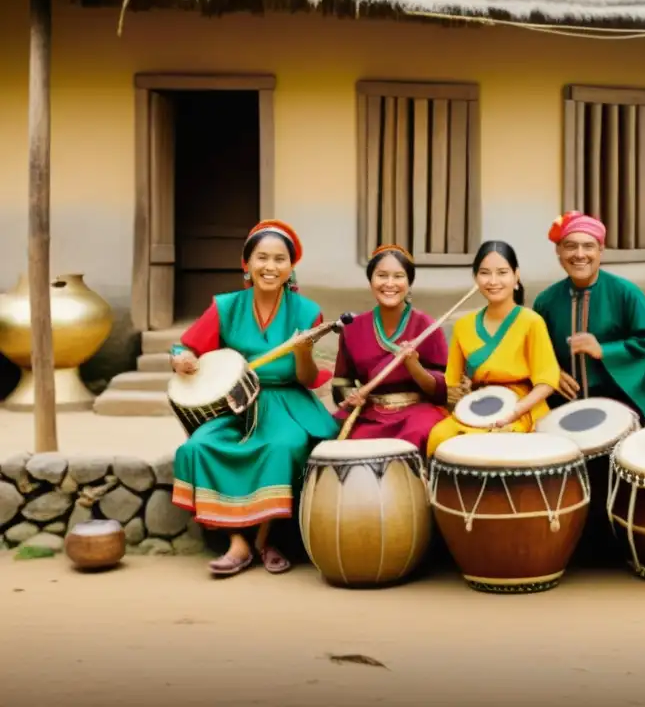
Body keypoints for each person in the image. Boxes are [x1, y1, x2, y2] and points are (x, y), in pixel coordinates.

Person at [169, 220, 340, 577]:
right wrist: (180, 358)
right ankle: (237, 542)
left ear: (291, 267)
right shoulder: (226, 306)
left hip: (286, 402)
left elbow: (307, 379)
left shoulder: (307, 312)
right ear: (246, 263)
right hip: (236, 403)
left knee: (284, 446)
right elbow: (185, 345)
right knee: (199, 445)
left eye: (280, 259)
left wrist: (304, 351)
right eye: (262, 257)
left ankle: (263, 539)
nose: (270, 267)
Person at [425, 240, 561, 457]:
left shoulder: (531, 322)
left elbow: (546, 382)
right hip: (479, 405)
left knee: (500, 441)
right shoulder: (463, 325)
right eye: (485, 273)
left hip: (522, 407)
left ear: (516, 276)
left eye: (502, 272)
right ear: (475, 278)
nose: (493, 281)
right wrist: (459, 393)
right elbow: (453, 382)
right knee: (439, 436)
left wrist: (513, 412)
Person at [532, 211, 645, 424]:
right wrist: (551, 371)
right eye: (570, 246)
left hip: (619, 402)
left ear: (601, 250)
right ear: (558, 251)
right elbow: (534, 350)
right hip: (561, 404)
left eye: (588, 246)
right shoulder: (546, 301)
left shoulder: (625, 293)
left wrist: (605, 350)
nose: (579, 254)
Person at [332, 244, 448, 455]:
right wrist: (352, 396)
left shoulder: (427, 326)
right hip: (370, 413)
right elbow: (341, 381)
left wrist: (414, 367)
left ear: (409, 282)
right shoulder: (353, 328)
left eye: (398, 276)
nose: (390, 284)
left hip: (416, 413)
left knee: (419, 435)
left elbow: (442, 391)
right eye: (382, 276)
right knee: (349, 449)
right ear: (371, 281)